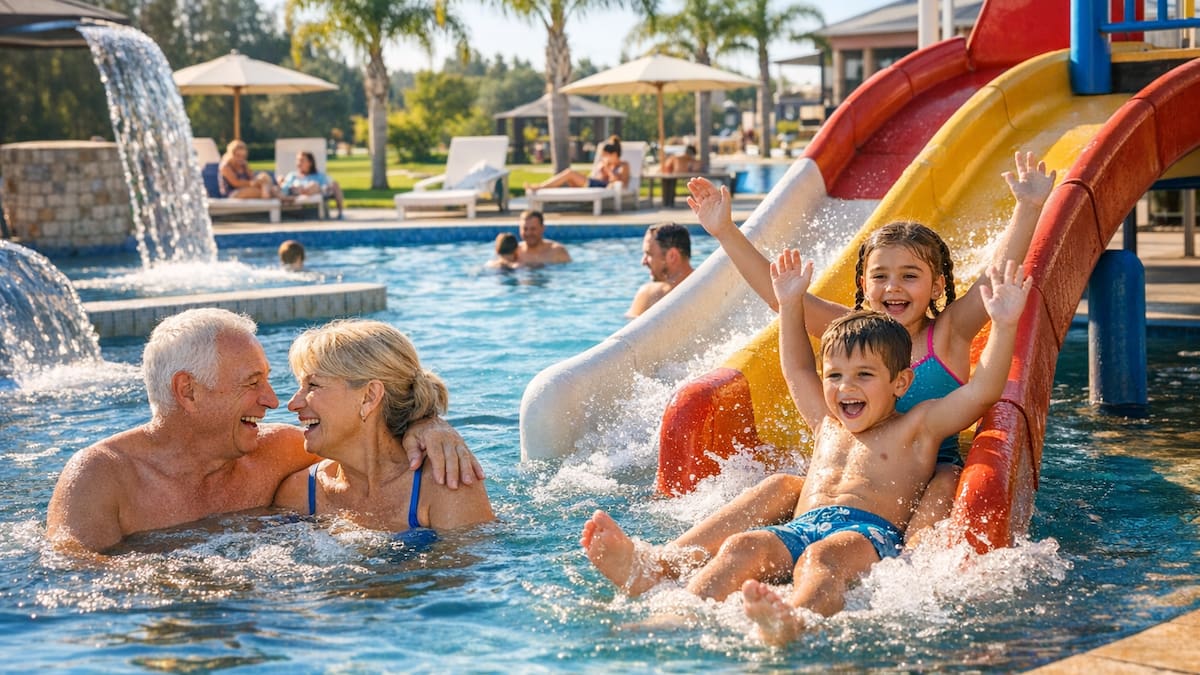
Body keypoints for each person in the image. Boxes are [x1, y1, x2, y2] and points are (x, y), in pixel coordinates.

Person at [582, 253, 1031, 646]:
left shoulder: (918, 427)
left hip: (868, 535)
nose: (844, 388)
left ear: (900, 383)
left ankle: (793, 618)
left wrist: (1005, 324)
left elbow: (982, 392)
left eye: (863, 376)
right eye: (834, 376)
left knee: (823, 560)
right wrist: (790, 302)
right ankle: (676, 603)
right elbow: (798, 367)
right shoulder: (828, 424)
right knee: (744, 545)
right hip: (803, 525)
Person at [673, 151, 1054, 549]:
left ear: (937, 286)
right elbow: (783, 301)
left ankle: (913, 563)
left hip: (926, 468)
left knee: (946, 480)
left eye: (910, 276)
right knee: (785, 485)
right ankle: (677, 555)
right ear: (863, 282)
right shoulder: (852, 335)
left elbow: (994, 279)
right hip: (863, 474)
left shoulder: (948, 333)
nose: (893, 287)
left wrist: (1028, 207)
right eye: (881, 276)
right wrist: (725, 232)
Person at [45, 308, 485, 554]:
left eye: (304, 385)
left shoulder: (280, 452)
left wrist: (428, 422)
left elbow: (370, 446)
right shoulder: (100, 479)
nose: (278, 402)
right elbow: (74, 585)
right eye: (253, 383)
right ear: (188, 391)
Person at [274, 320, 494, 531]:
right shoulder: (300, 494)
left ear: (369, 396)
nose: (293, 404)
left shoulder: (445, 486)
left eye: (313, 385)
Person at [626, 222, 694, 318]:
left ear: (672, 256)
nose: (643, 261)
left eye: (649, 254)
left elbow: (628, 332)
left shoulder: (650, 294)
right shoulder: (708, 286)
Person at [525, 141, 629, 192]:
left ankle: (540, 187)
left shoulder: (623, 166)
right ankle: (542, 188)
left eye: (606, 156)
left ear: (614, 154)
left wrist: (607, 169)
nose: (604, 158)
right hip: (594, 184)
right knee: (570, 176)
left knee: (569, 173)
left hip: (604, 187)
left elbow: (619, 183)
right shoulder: (605, 164)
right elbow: (596, 178)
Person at [279, 151, 346, 219]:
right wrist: (281, 181)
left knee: (328, 184)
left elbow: (325, 187)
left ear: (310, 163)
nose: (298, 163)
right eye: (297, 160)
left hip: (316, 190)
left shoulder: (319, 175)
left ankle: (340, 213)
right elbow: (285, 188)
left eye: (302, 160)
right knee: (294, 184)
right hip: (296, 192)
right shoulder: (292, 175)